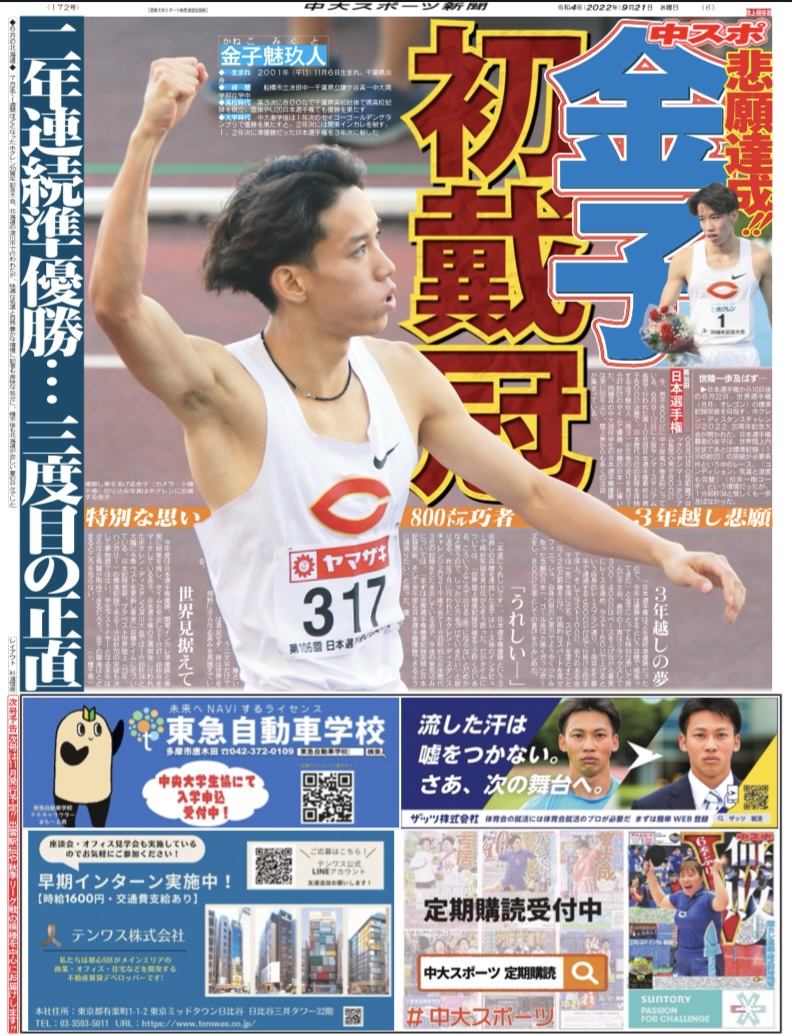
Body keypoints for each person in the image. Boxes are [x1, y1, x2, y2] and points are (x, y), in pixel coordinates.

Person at [90, 58, 746, 692]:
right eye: (358, 250)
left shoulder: (401, 375)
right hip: (288, 725)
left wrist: (661, 550)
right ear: (292, 281)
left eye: (378, 237)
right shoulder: (225, 392)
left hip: (391, 709)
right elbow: (118, 307)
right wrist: (148, 135)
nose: (387, 265)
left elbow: (532, 492)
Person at [658, 182, 772, 367]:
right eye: (702, 219)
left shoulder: (760, 258)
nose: (708, 227)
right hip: (698, 356)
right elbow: (662, 313)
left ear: (733, 216)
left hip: (743, 356)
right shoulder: (684, 259)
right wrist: (673, 352)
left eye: (715, 218)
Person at [632, 698, 742, 811]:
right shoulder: (647, 807)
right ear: (683, 742)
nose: (710, 746)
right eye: (699, 735)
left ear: (736, 742)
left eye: (721, 735)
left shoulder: (753, 800)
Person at [521, 699, 621, 810]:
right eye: (578, 735)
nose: (588, 746)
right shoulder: (539, 807)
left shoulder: (633, 805)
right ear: (562, 743)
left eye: (599, 735)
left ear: (615, 742)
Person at [643, 858, 728, 977]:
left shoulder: (708, 898)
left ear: (701, 878)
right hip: (682, 960)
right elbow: (661, 900)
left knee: (706, 991)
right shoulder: (680, 897)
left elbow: (723, 903)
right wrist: (650, 875)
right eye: (682, 876)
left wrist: (715, 872)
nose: (685, 879)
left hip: (705, 961)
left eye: (691, 875)